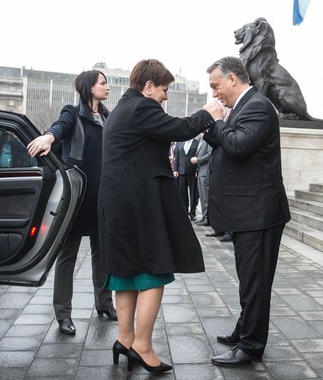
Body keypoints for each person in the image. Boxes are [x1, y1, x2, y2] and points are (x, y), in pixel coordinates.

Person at [97, 59, 223, 374]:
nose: (165, 96)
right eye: (164, 90)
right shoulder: (141, 107)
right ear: (149, 86)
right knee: (155, 271)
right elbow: (179, 129)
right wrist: (209, 113)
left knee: (125, 274)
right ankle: (143, 345)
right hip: (138, 203)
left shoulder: (122, 110)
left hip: (118, 205)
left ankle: (124, 340)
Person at [204, 56, 291, 367]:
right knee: (248, 278)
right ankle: (245, 329)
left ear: (232, 78)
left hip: (260, 213)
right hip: (249, 212)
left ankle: (251, 346)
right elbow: (224, 143)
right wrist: (217, 126)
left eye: (216, 86)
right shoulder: (242, 107)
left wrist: (217, 123)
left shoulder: (256, 105)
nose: (214, 93)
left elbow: (238, 145)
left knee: (254, 281)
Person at [26, 70, 116, 335]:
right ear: (89, 87)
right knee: (67, 257)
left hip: (102, 196)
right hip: (77, 197)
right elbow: (61, 126)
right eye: (103, 83)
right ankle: (63, 314)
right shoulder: (72, 113)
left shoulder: (108, 117)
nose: (107, 87)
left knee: (103, 255)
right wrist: (50, 136)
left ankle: (105, 303)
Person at [173, 137, 199, 220]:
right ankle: (184, 211)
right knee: (182, 193)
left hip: (192, 172)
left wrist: (197, 170)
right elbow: (176, 157)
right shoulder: (180, 142)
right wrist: (175, 169)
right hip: (181, 172)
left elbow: (198, 156)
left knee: (193, 194)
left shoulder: (196, 142)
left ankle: (192, 213)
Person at [191, 133, 212, 226]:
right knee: (202, 198)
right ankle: (204, 217)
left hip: (205, 171)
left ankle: (207, 218)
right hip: (200, 171)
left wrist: (197, 160)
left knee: (206, 197)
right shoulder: (201, 140)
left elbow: (209, 154)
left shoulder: (208, 140)